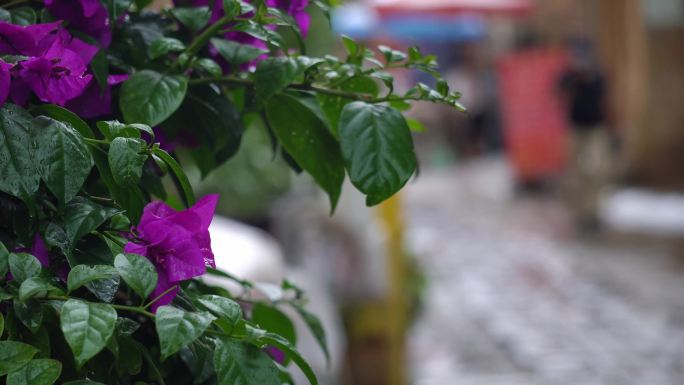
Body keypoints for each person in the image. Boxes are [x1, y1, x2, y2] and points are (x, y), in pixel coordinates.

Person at [559, 40, 611, 232]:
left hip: (595, 128)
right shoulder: (569, 76)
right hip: (576, 129)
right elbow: (558, 91)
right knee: (576, 172)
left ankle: (593, 210)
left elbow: (604, 97)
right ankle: (580, 211)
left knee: (597, 170)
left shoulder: (598, 75)